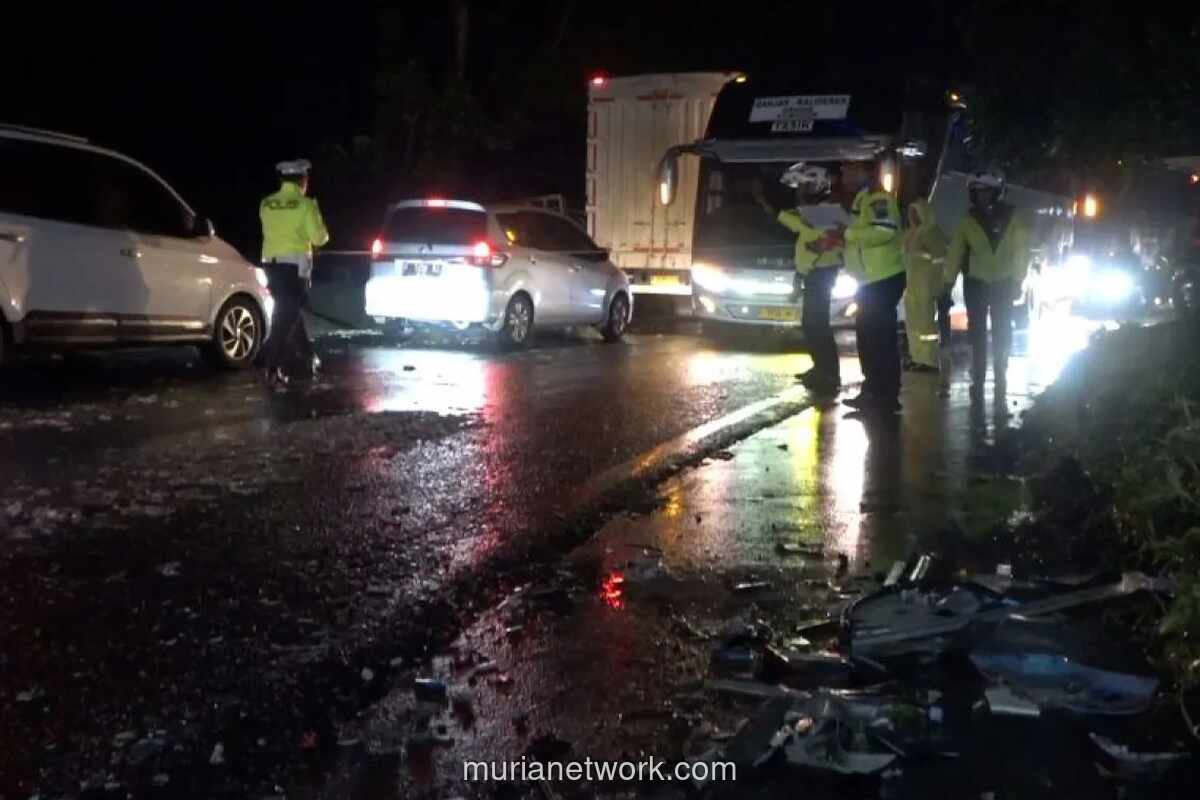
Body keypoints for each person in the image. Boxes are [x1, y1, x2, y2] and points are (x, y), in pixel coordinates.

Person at [753, 163, 845, 395]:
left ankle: (830, 374)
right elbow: (795, 224)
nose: (798, 192)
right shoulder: (814, 210)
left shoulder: (825, 209)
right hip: (814, 273)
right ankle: (820, 369)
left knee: (818, 325)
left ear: (816, 185)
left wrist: (765, 202)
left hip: (822, 273)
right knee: (811, 324)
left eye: (802, 186)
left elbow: (820, 237)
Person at [945, 171, 1030, 401]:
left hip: (1002, 283)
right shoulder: (968, 220)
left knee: (1002, 328)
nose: (981, 197)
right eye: (978, 193)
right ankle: (979, 374)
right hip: (977, 282)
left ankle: (1001, 370)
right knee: (978, 330)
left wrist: (1017, 280)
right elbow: (955, 252)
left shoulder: (1013, 219)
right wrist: (947, 282)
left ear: (995, 194)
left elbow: (1021, 251)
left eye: (985, 192)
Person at [840, 160, 905, 413]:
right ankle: (873, 391)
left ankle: (886, 395)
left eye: (850, 170)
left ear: (866, 172)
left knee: (880, 339)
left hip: (883, 277)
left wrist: (848, 234)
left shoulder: (880, 199)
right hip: (868, 280)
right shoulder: (862, 198)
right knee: (867, 338)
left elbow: (883, 231)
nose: (845, 174)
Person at [259, 159, 329, 388]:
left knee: (289, 313)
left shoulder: (266, 204)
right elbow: (320, 238)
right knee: (285, 318)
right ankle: (270, 365)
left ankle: (308, 358)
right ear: (302, 181)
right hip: (295, 270)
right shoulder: (306, 205)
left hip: (270, 266)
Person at [901, 199, 948, 375]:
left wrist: (937, 285)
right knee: (913, 325)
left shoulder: (932, 234)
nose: (913, 216)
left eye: (916, 213)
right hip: (912, 286)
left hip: (926, 285)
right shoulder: (910, 235)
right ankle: (917, 358)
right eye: (911, 213)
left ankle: (929, 361)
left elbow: (941, 260)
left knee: (926, 326)